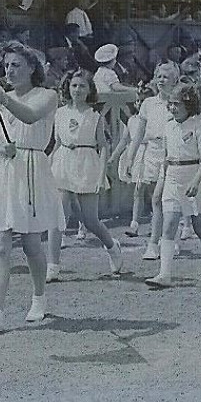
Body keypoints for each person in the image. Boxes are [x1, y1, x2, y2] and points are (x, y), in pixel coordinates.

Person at [0, 43, 61, 334]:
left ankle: (39, 297)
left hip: (31, 170)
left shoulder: (48, 95)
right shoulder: (2, 98)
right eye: (7, 65)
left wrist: (3, 100)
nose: (9, 71)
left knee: (31, 244)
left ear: (32, 68)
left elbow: (31, 116)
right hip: (3, 171)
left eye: (16, 65)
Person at [46, 70, 126, 281]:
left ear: (90, 89)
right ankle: (52, 265)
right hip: (63, 164)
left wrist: (101, 175)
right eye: (74, 86)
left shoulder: (95, 116)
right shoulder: (60, 113)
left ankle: (112, 246)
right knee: (59, 217)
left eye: (82, 86)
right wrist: (47, 165)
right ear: (68, 88)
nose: (77, 90)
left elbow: (104, 146)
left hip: (87, 163)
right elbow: (57, 143)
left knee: (90, 220)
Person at [146, 83, 201, 288]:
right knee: (169, 224)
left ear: (189, 106)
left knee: (198, 225)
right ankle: (164, 274)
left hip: (192, 176)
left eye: (177, 104)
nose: (172, 108)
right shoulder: (169, 125)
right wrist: (162, 182)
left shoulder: (198, 126)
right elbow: (166, 157)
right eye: (170, 104)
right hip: (172, 178)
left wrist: (197, 181)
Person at [124, 62, 180, 253]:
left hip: (172, 154)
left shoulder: (178, 102)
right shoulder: (148, 103)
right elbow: (138, 135)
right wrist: (130, 159)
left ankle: (155, 244)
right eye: (159, 76)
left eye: (166, 77)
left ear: (175, 81)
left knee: (162, 199)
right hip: (151, 152)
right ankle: (166, 240)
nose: (162, 80)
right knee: (154, 199)